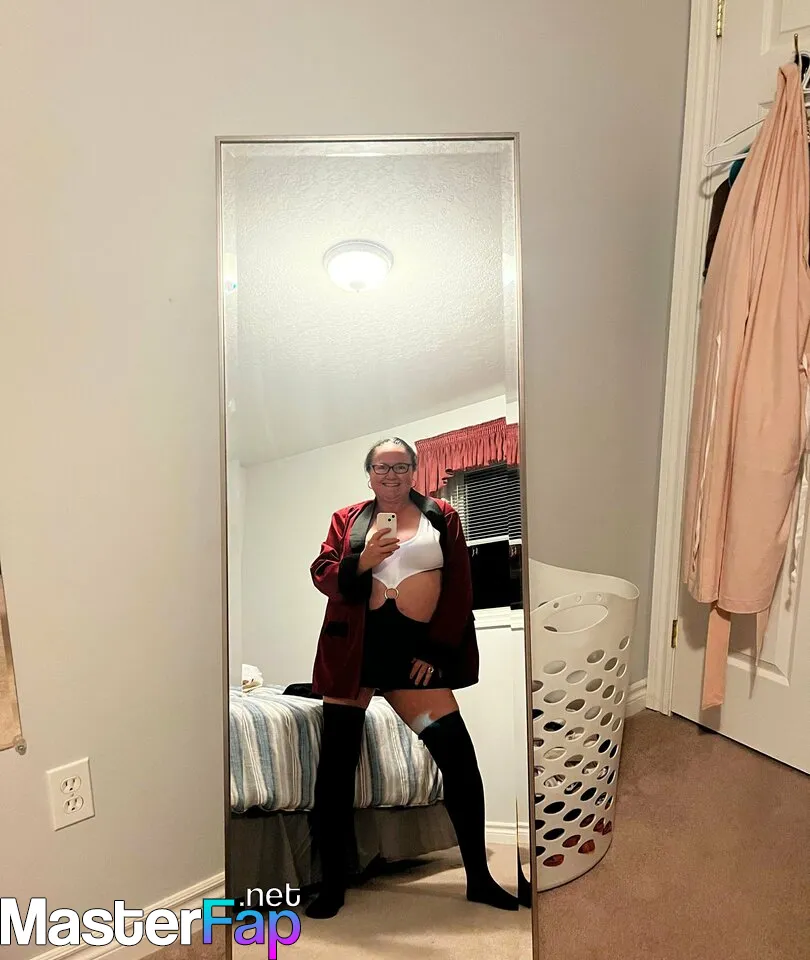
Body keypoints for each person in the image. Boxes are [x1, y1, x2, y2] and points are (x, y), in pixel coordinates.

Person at [305, 437, 520, 919]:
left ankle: (479, 879)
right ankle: (332, 887)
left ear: (414, 471)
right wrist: (362, 560)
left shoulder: (442, 515)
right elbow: (321, 573)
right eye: (382, 467)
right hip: (355, 652)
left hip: (413, 657)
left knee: (458, 760)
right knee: (335, 771)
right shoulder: (347, 519)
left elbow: (459, 584)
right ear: (369, 474)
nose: (392, 475)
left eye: (401, 466)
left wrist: (436, 649)